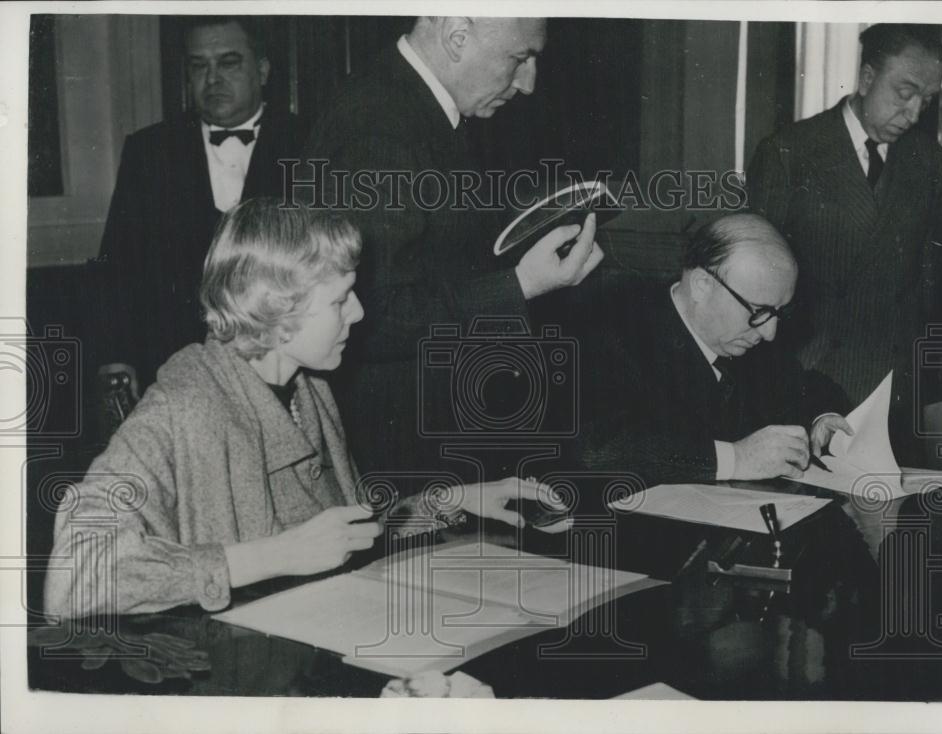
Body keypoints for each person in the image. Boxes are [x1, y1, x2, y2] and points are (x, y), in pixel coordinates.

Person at [45, 199, 563, 618]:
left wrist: (454, 501)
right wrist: (274, 556)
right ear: (278, 310)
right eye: (340, 300)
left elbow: (336, 536)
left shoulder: (306, 385)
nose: (358, 313)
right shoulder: (185, 402)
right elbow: (73, 580)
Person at [300, 17, 603, 480]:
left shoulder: (420, 107)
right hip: (397, 451)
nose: (528, 83)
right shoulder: (378, 125)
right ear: (457, 36)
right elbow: (374, 316)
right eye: (519, 58)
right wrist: (521, 285)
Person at [746, 24, 942, 458]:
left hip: (894, 395)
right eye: (905, 92)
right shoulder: (789, 151)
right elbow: (757, 283)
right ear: (866, 78)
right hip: (810, 390)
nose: (914, 113)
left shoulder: (932, 163)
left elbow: (929, 288)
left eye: (927, 100)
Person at [98, 16, 304, 397]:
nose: (212, 80)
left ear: (262, 70)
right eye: (198, 66)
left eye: (228, 62)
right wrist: (116, 357)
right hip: (174, 367)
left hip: (279, 363)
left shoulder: (308, 143)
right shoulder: (149, 151)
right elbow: (118, 266)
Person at [582, 214, 853, 485]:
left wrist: (822, 418)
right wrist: (736, 459)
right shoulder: (613, 335)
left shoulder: (744, 338)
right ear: (701, 285)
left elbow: (804, 387)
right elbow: (601, 449)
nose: (769, 333)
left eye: (780, 312)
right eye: (759, 311)